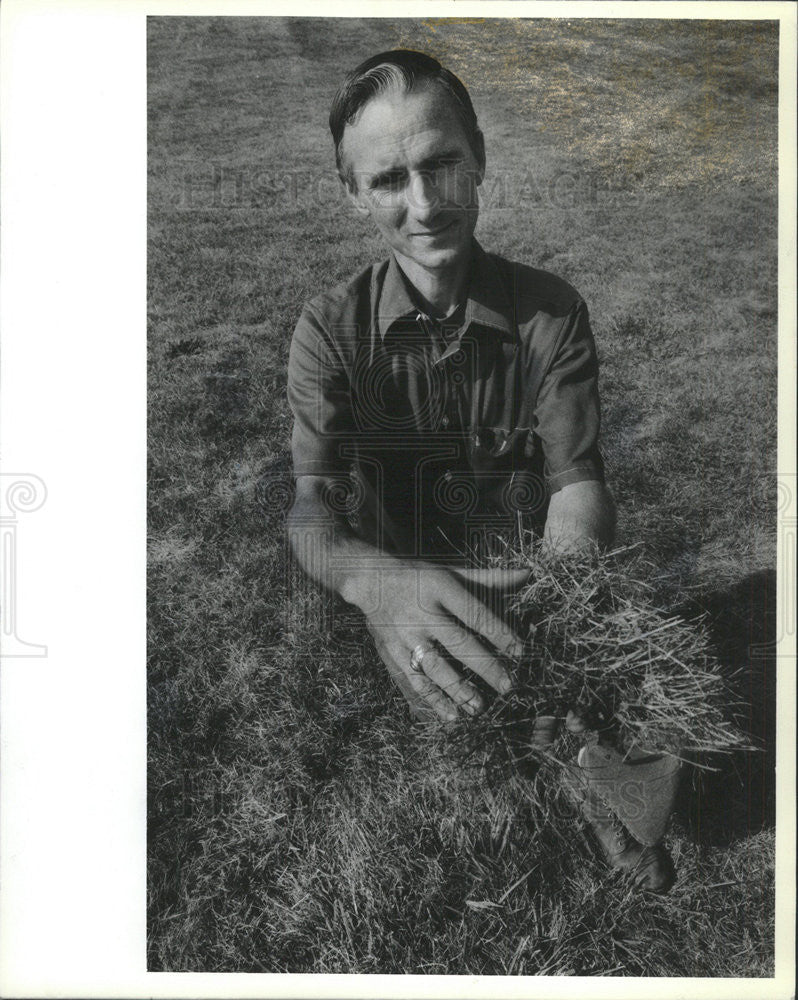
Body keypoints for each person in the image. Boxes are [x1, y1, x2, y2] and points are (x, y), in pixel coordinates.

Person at [286, 49, 676, 892]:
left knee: (576, 703)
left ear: (480, 161)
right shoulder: (328, 333)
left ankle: (586, 766)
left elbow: (578, 483)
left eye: (441, 166)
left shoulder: (550, 312)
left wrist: (564, 596)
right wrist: (373, 585)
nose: (425, 205)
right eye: (390, 180)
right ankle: (566, 762)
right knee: (476, 729)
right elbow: (309, 510)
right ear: (353, 193)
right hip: (412, 594)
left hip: (534, 581)